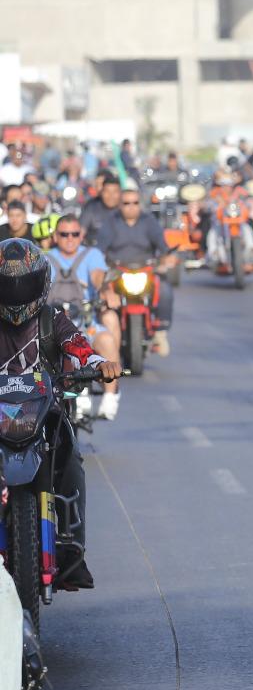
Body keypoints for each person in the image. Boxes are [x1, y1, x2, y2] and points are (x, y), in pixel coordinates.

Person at [0, 238, 120, 589]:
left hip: (47, 414)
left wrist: (100, 364)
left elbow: (82, 349)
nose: (18, 292)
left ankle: (72, 551)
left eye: (25, 283)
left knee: (72, 460)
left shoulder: (54, 320)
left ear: (41, 283)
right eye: (8, 284)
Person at [44, 213, 122, 420]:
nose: (70, 238)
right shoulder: (46, 258)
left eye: (75, 234)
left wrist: (106, 291)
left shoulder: (92, 254)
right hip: (56, 326)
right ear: (55, 236)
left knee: (105, 338)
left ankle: (111, 394)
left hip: (86, 323)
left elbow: (99, 276)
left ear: (81, 235)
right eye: (64, 234)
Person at [99, 186, 176, 353]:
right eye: (126, 203)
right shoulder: (111, 222)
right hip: (117, 270)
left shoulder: (149, 221)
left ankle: (160, 332)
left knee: (165, 290)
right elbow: (100, 250)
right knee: (102, 295)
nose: (131, 206)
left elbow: (162, 246)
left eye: (135, 203)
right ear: (120, 205)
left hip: (145, 269)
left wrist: (165, 260)